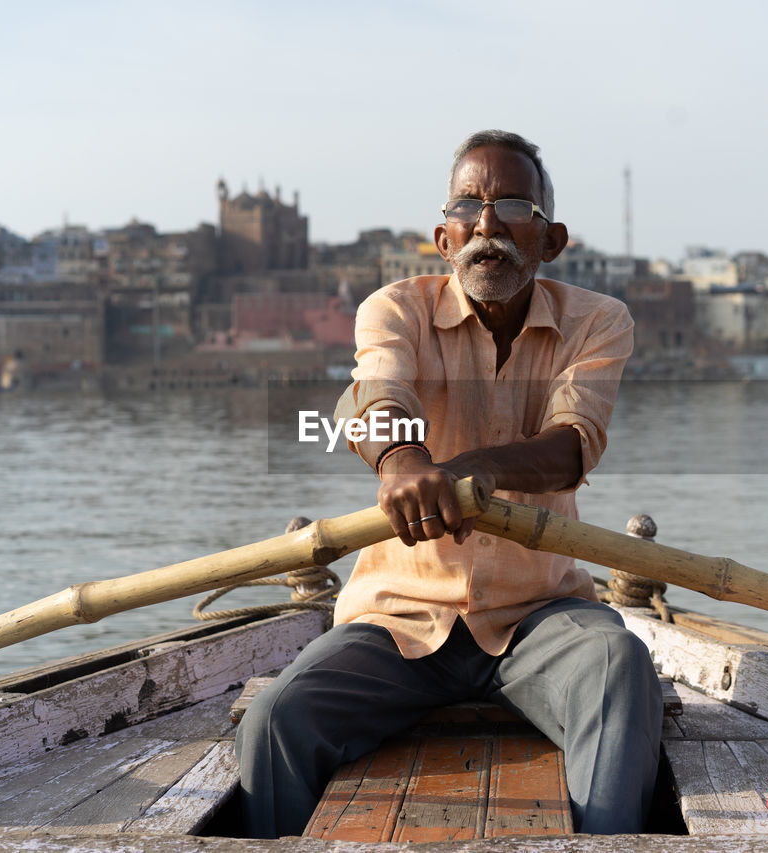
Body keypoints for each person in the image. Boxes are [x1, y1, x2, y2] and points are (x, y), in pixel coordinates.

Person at [235, 129, 662, 836]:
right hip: (399, 614)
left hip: (540, 611)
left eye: (513, 206)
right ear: (443, 236)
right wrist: (403, 465)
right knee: (276, 720)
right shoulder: (393, 307)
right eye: (468, 205)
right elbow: (376, 399)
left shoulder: (599, 321)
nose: (487, 225)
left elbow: (571, 444)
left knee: (622, 668)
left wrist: (476, 471)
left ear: (551, 240)